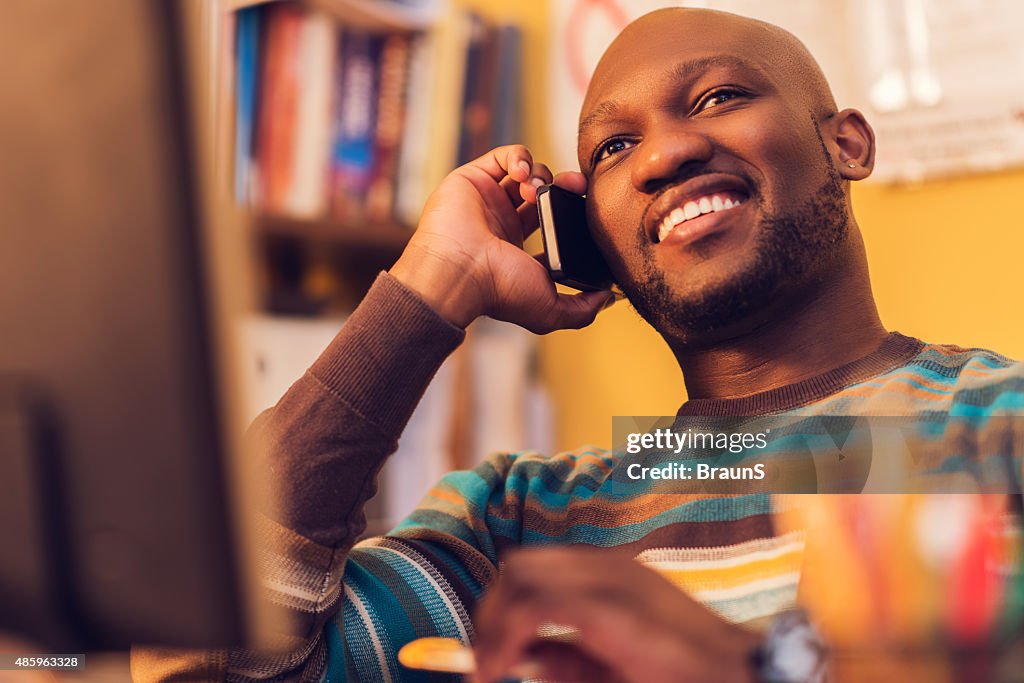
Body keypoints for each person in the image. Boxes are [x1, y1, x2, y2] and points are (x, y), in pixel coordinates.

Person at [133, 7, 1023, 683]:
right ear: (588, 234)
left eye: (719, 96)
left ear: (848, 145)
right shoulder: (518, 516)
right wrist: (429, 287)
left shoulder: (999, 426)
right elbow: (202, 651)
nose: (663, 156)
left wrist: (749, 666)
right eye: (612, 148)